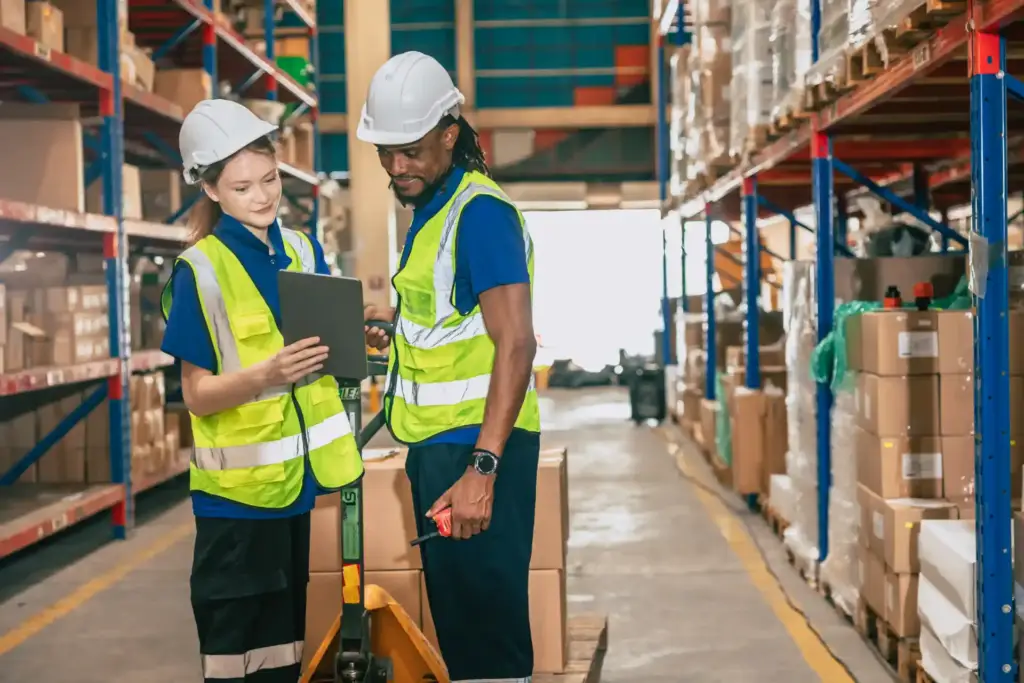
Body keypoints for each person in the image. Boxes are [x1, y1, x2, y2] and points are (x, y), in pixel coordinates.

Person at [159, 99, 365, 683]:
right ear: (213, 191)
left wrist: (359, 324)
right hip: (235, 503)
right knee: (234, 655)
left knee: (284, 651)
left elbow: (326, 337)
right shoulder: (199, 271)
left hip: (295, 489)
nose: (263, 196)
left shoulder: (301, 250)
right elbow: (197, 395)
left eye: (270, 179)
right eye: (243, 186)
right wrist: (266, 376)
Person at [356, 51, 541, 683]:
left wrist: (482, 469)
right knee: (464, 635)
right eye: (385, 152)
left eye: (409, 151)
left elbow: (516, 343)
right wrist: (395, 328)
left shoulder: (480, 214)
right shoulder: (433, 209)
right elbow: (452, 324)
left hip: (476, 449)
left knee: (488, 641)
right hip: (442, 448)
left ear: (449, 135)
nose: (396, 167)